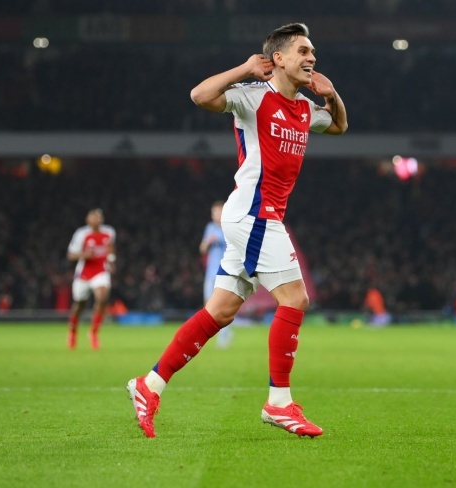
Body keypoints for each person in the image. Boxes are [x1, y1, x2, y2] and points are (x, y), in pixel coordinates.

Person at [127, 22, 347, 439]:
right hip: (254, 214)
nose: (312, 58)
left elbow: (339, 127)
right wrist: (245, 68)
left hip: (258, 217)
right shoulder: (253, 97)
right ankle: (278, 402)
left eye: (313, 52)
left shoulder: (304, 108)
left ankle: (149, 384)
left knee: (221, 311)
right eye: (303, 51)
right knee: (295, 298)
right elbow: (199, 95)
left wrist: (332, 95)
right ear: (278, 58)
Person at [66, 208, 116, 350]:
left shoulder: (109, 231)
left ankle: (93, 332)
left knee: (102, 297)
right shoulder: (81, 234)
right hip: (84, 273)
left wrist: (112, 260)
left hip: (101, 271)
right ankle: (73, 331)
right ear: (87, 220)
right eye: (94, 217)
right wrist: (84, 255)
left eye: (99, 217)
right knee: (79, 305)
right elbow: (71, 255)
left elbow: (110, 248)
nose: (97, 219)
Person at [199, 200, 234, 348]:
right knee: (208, 304)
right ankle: (218, 333)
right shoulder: (210, 228)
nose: (216, 215)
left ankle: (224, 335)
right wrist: (207, 242)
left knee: (223, 305)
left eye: (218, 212)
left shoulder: (229, 227)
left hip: (226, 272)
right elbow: (202, 249)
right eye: (214, 212)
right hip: (211, 272)